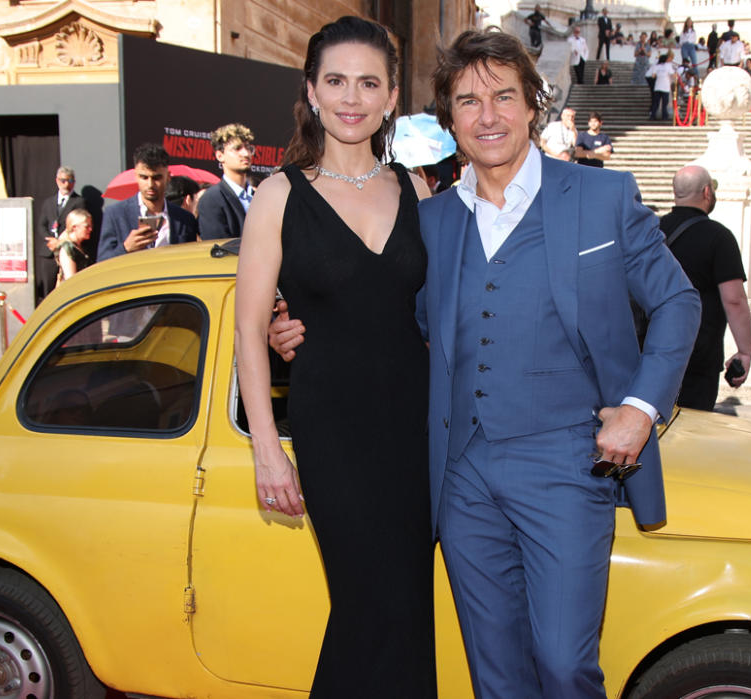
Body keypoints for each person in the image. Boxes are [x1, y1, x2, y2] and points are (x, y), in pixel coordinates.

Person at [271, 28, 699, 698]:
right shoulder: (432, 219)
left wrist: (641, 409)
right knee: (494, 674)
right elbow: (381, 309)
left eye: (504, 95)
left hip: (567, 465)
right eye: (468, 101)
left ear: (533, 104)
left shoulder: (601, 198)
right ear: (450, 123)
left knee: (563, 664)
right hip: (462, 478)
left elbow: (677, 300)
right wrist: (295, 324)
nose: (488, 115)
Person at [235, 16, 436, 697]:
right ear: (312, 92)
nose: (352, 97)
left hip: (416, 430)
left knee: (408, 609)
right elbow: (247, 329)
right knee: (365, 605)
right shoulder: (279, 195)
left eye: (369, 83)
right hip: (334, 432)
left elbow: (446, 315)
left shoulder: (419, 189)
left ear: (390, 97)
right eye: (337, 81)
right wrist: (268, 447)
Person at [662, 166, 751, 410]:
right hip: (698, 349)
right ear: (707, 192)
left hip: (650, 346)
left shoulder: (652, 231)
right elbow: (734, 299)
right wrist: (745, 350)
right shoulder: (719, 237)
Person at [97, 144, 198, 261]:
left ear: (168, 177)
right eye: (144, 177)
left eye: (157, 178)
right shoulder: (115, 214)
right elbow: (101, 262)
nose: (150, 185)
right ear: (136, 176)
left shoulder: (184, 218)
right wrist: (126, 248)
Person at [34, 166, 85, 304]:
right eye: (63, 181)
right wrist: (50, 240)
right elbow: (41, 224)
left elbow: (76, 223)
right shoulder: (48, 202)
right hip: (48, 252)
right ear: (57, 181)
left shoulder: (78, 202)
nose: (67, 184)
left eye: (70, 181)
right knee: (48, 291)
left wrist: (61, 242)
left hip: (66, 248)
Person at [197, 122, 256, 239]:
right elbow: (218, 248)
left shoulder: (259, 196)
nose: (246, 153)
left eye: (248, 148)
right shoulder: (212, 199)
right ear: (220, 156)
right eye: (237, 148)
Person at [56, 208, 93, 286]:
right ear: (74, 227)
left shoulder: (80, 246)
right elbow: (71, 280)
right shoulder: (67, 248)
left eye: (91, 226)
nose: (90, 229)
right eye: (87, 226)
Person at [646, 52, 677, 121]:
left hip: (657, 86)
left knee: (656, 103)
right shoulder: (668, 66)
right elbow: (673, 74)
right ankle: (664, 116)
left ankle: (652, 116)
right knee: (664, 103)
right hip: (665, 87)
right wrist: (676, 74)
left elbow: (653, 76)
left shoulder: (656, 66)